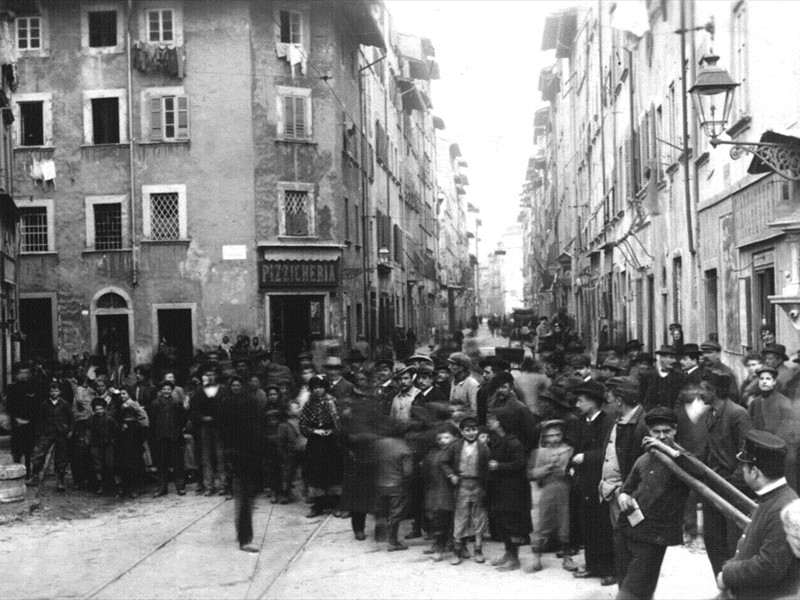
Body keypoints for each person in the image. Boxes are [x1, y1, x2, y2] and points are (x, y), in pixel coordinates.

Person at [615, 407, 703, 600]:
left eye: (666, 431)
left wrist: (669, 450)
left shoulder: (681, 460)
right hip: (627, 527)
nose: (661, 436)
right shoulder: (643, 459)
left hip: (655, 535)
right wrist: (623, 496)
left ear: (675, 431)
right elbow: (626, 488)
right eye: (656, 432)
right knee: (629, 584)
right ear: (649, 432)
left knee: (632, 590)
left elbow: (699, 472)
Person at [718, 430, 800, 599]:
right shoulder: (774, 499)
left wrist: (727, 575)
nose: (742, 471)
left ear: (755, 471)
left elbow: (769, 567)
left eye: (744, 466)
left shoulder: (784, 508)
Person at [698, 375, 753, 577]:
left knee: (734, 542)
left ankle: (738, 590)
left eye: (703, 388)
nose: (699, 393)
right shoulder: (711, 413)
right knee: (712, 539)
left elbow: (747, 453)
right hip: (713, 485)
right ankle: (723, 584)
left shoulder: (737, 414)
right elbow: (709, 451)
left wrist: (734, 485)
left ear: (714, 391)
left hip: (732, 488)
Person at [570, 380, 616, 585]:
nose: (577, 404)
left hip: (600, 480)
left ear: (594, 403)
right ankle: (592, 565)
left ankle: (609, 570)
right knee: (587, 524)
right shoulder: (582, 421)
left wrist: (586, 457)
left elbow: (609, 451)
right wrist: (571, 466)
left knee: (603, 525)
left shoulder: (608, 423)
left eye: (581, 401)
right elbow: (576, 447)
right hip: (583, 480)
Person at [218, 374, 263, 553]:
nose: (236, 388)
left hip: (248, 453)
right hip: (237, 455)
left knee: (245, 497)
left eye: (239, 385)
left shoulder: (250, 402)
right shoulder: (226, 404)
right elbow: (222, 430)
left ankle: (242, 534)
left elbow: (257, 427)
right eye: (233, 385)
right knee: (244, 497)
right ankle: (245, 539)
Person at [486, 409, 532, 572]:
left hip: (513, 490)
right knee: (504, 523)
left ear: (502, 422)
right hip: (501, 488)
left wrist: (499, 466)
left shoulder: (513, 442)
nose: (489, 422)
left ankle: (514, 558)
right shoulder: (497, 440)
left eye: (493, 419)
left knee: (512, 524)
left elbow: (520, 463)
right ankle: (508, 553)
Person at [526, 419, 574, 573]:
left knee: (565, 523)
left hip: (565, 490)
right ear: (544, 437)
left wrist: (567, 470)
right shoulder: (539, 453)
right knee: (542, 523)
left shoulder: (569, 450)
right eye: (550, 435)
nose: (554, 439)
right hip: (545, 491)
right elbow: (531, 474)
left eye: (558, 435)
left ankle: (567, 556)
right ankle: (537, 557)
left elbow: (574, 472)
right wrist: (548, 467)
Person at [441, 415, 490, 566]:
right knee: (461, 517)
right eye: (467, 430)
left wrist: (485, 486)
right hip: (462, 485)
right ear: (462, 432)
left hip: (478, 485)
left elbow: (488, 469)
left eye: (474, 429)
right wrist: (451, 475)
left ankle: (478, 549)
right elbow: (443, 462)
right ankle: (457, 550)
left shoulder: (483, 448)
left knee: (479, 518)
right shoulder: (455, 446)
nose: (471, 433)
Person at [749, 365, 800, 490]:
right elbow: (750, 426)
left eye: (768, 379)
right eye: (761, 379)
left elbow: (789, 430)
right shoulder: (755, 402)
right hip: (761, 451)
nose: (764, 381)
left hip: (781, 452)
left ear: (774, 382)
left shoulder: (784, 402)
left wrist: (772, 447)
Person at [299, 376, 344, 518]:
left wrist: (332, 431)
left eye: (321, 387)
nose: (318, 390)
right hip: (315, 441)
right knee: (316, 471)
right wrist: (314, 431)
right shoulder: (308, 404)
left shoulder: (332, 401)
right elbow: (303, 423)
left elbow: (339, 421)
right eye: (315, 387)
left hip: (331, 441)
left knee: (333, 470)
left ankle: (335, 503)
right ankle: (317, 505)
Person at [374, 420, 414, 551]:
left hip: (379, 483)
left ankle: (380, 536)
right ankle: (392, 541)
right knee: (395, 513)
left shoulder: (378, 444)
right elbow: (408, 472)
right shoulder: (405, 448)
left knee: (381, 511)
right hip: (397, 485)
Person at [26, 380, 73, 492]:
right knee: (38, 453)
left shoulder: (64, 404)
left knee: (61, 456)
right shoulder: (44, 404)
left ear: (60, 392)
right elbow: (39, 419)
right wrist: (40, 431)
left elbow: (71, 418)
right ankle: (35, 476)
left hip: (61, 432)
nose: (53, 393)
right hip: (47, 432)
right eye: (51, 391)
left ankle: (60, 481)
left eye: (56, 390)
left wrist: (70, 430)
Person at [190, 366, 228, 496]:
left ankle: (223, 485)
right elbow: (193, 409)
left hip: (220, 426)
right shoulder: (199, 391)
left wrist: (219, 417)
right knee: (206, 457)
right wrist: (202, 417)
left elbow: (227, 406)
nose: (210, 377)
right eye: (208, 375)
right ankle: (209, 486)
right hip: (205, 427)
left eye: (213, 374)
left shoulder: (223, 390)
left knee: (221, 456)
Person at [423, 423, 458, 561]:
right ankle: (439, 544)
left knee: (449, 518)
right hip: (435, 490)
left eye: (446, 437)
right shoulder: (434, 452)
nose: (443, 441)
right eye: (439, 438)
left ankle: (446, 545)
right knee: (437, 517)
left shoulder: (455, 452)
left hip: (449, 489)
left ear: (455, 437)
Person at [150, 380, 188, 497]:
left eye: (168, 389)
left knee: (178, 462)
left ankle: (180, 487)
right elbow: (152, 420)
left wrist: (178, 430)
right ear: (161, 391)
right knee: (162, 463)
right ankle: (162, 487)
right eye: (164, 389)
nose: (166, 391)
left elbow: (183, 419)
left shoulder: (177, 403)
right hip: (161, 437)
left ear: (172, 391)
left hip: (175, 437)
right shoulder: (156, 403)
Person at [7, 362, 43, 475]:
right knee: (17, 450)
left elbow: (37, 406)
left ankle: (27, 470)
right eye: (21, 373)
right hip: (17, 423)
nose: (23, 375)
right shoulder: (11, 388)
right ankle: (17, 469)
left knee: (29, 450)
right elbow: (9, 406)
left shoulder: (34, 387)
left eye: (26, 372)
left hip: (30, 423)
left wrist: (32, 421)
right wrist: (15, 419)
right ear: (16, 374)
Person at [116, 388, 149, 498]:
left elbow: (143, 418)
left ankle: (135, 488)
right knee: (123, 461)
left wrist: (139, 428)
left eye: (124, 393)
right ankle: (125, 488)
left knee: (134, 460)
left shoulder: (133, 404)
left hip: (133, 434)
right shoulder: (120, 404)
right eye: (121, 393)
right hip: (123, 435)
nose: (122, 395)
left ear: (129, 394)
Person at [88, 396, 119, 495]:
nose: (99, 411)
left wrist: (113, 440)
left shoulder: (109, 419)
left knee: (109, 464)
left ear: (104, 409)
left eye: (101, 409)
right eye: (97, 409)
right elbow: (89, 431)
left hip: (108, 444)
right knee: (97, 465)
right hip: (96, 444)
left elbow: (116, 430)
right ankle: (100, 484)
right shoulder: (92, 419)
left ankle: (111, 485)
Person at [640, 345, 685, 412]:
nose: (674, 360)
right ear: (662, 358)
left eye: (675, 358)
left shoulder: (679, 377)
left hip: (670, 417)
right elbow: (642, 398)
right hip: (650, 416)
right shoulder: (648, 376)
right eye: (671, 357)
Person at [447, 352, 479, 421]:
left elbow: (474, 410)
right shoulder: (453, 382)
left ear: (461, 368)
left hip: (466, 421)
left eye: (452, 364)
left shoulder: (472, 384)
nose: (449, 367)